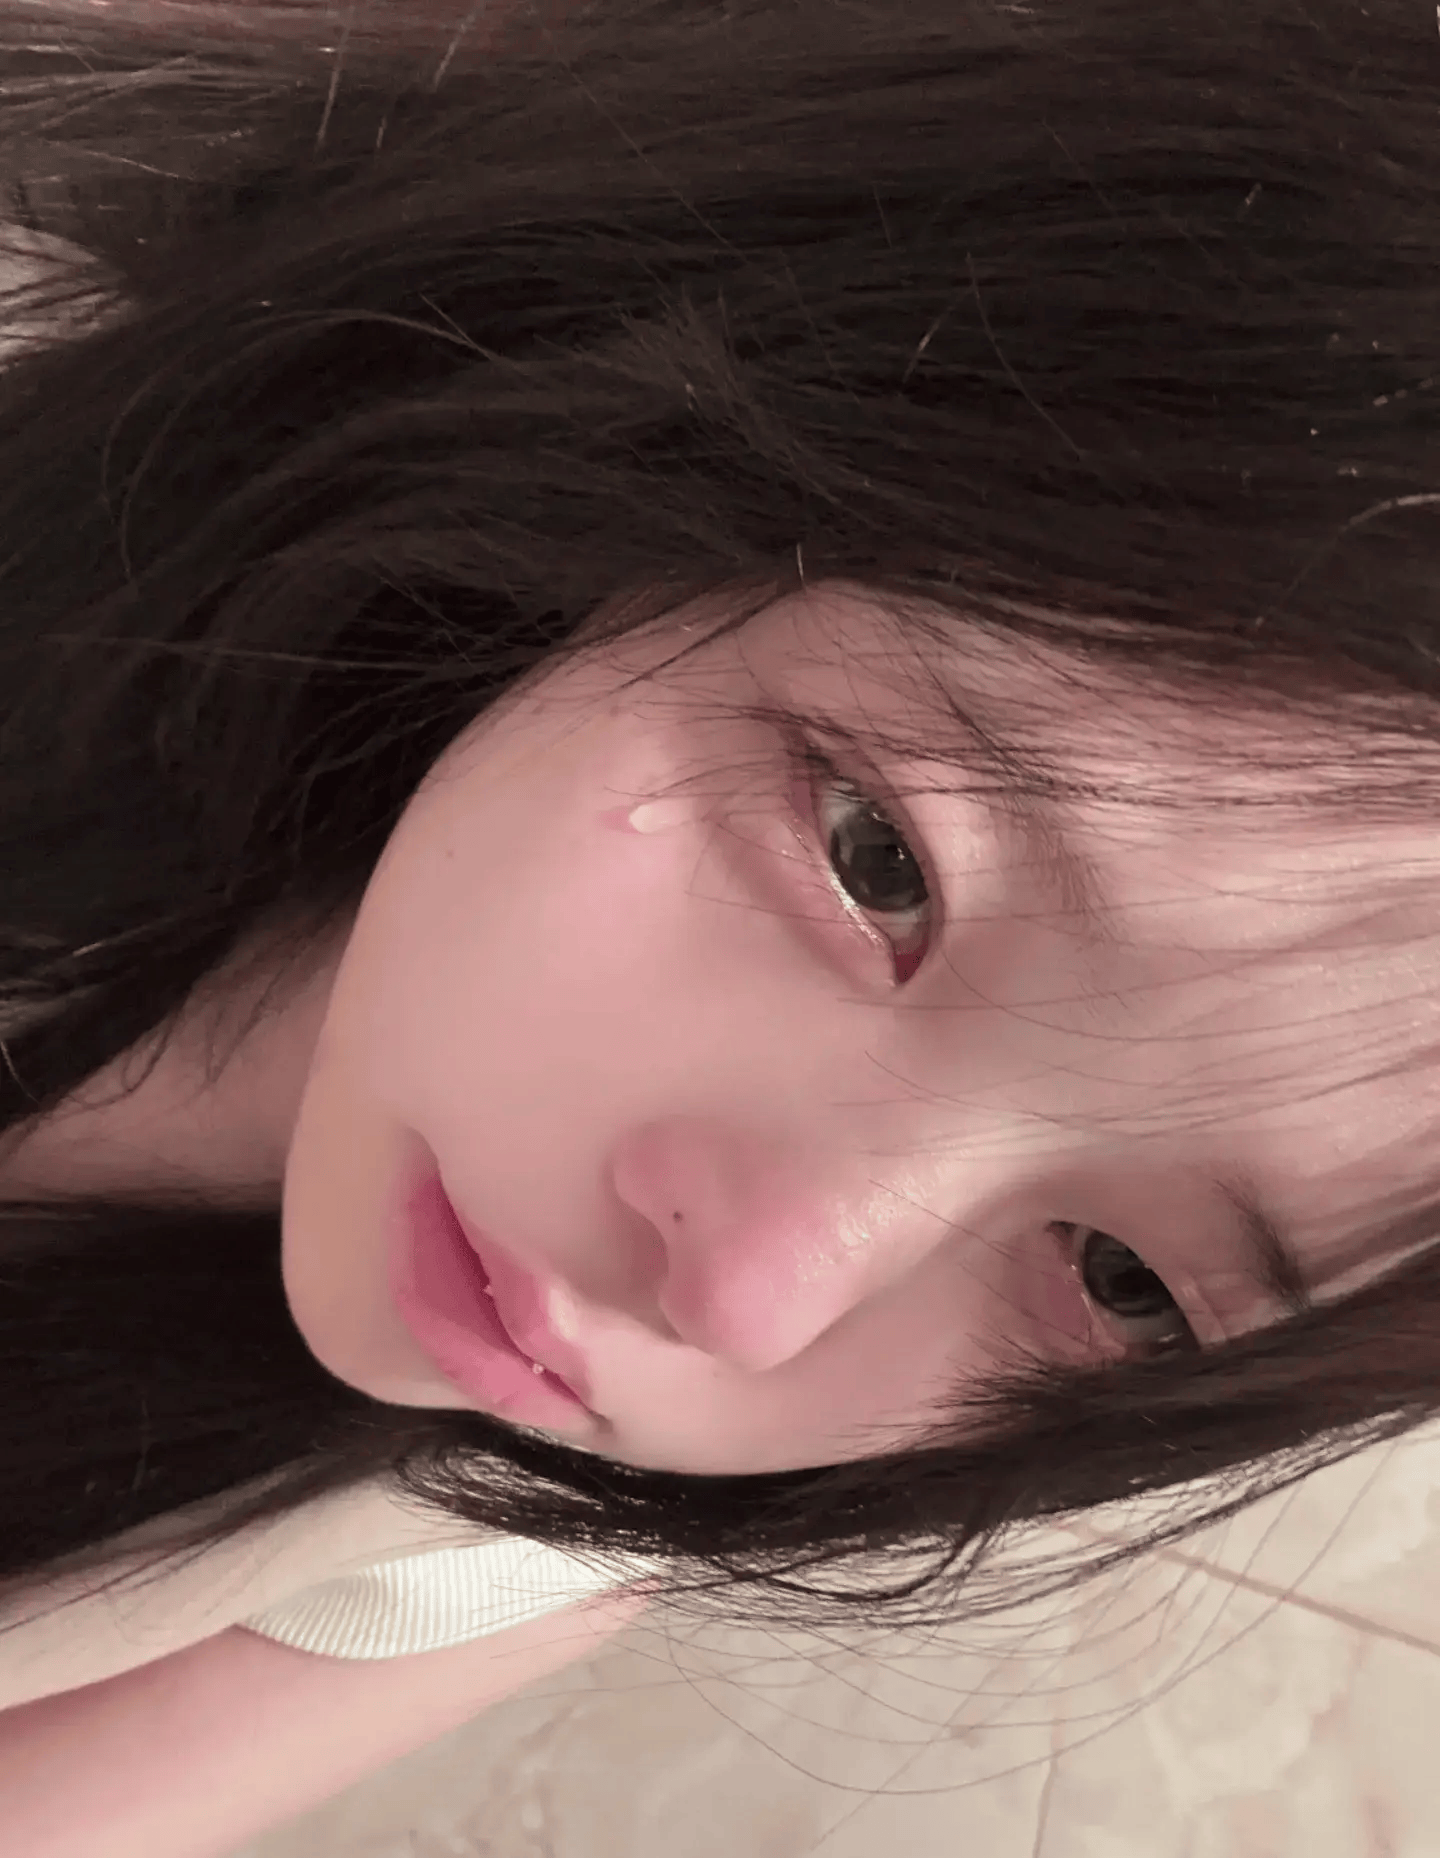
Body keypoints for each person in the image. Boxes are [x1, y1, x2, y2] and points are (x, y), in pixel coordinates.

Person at [0, 0, 1437, 1841]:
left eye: (1126, 1283)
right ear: (699, 469)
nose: (750, 1295)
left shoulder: (479, 1542)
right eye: (878, 862)